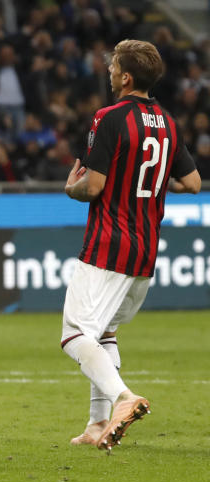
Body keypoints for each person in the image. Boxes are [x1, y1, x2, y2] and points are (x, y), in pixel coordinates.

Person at [61, 39, 200, 452]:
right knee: (104, 332)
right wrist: (152, 183)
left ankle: (124, 399)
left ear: (125, 77)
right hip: (145, 250)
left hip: (108, 245)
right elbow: (192, 183)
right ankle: (96, 423)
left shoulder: (108, 117)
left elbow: (96, 186)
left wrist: (72, 188)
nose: (107, 73)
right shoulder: (168, 122)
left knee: (74, 335)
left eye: (112, 67)